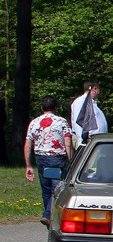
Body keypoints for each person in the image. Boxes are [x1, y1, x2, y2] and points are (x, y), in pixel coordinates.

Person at [24, 96, 74, 224]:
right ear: (55, 108)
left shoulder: (34, 123)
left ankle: (49, 216)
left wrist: (28, 165)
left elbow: (28, 144)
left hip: (41, 158)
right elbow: (67, 143)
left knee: (46, 190)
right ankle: (49, 215)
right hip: (56, 158)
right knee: (56, 189)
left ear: (42, 108)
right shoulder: (62, 122)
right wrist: (72, 162)